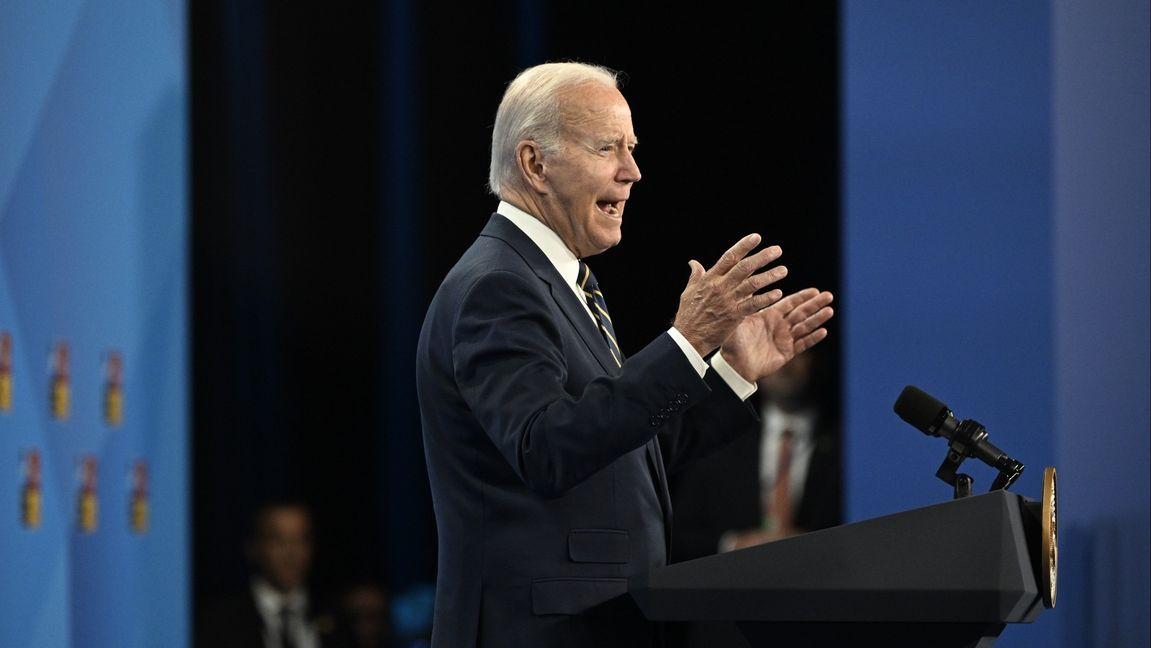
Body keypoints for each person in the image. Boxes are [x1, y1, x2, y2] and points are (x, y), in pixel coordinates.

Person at [415, 61, 835, 648]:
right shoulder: (498, 287)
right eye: (608, 148)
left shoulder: (557, 282)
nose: (633, 171)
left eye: (632, 148)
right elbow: (547, 448)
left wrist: (731, 371)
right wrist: (684, 342)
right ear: (536, 164)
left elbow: (625, 454)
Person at [666, 348, 842, 647]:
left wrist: (810, 547)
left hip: (819, 625)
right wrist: (734, 544)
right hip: (728, 629)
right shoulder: (717, 442)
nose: (787, 363)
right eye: (778, 349)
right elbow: (677, 539)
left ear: (819, 361)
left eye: (800, 352)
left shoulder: (848, 446)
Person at [197, 502, 332, 648]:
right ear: (254, 548)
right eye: (279, 541)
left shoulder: (335, 617)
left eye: (301, 540)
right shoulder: (220, 621)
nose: (291, 553)